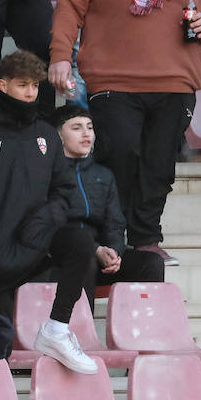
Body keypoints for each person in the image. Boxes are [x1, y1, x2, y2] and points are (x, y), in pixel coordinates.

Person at [49, 0, 201, 267]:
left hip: (175, 82)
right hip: (114, 82)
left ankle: (146, 239)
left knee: (160, 163)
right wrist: (61, 56)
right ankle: (117, 236)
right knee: (122, 155)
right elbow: (69, 6)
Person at [0, 50, 97, 373]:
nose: (30, 93)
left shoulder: (45, 134)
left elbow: (65, 191)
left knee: (82, 244)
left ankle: (57, 329)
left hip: (36, 241)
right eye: (22, 85)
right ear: (3, 85)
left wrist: (45, 220)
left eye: (34, 85)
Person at [53, 105, 166, 298]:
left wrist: (113, 252)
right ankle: (79, 328)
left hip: (100, 256)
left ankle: (142, 328)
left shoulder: (103, 175)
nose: (86, 133)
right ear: (59, 135)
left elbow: (115, 223)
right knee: (84, 260)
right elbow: (51, 226)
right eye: (76, 128)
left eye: (89, 127)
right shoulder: (48, 174)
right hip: (62, 258)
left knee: (151, 263)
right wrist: (94, 250)